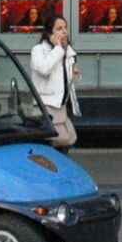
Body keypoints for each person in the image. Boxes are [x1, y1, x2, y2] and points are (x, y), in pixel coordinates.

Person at [29, 14, 80, 150]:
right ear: (49, 33)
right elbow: (44, 69)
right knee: (51, 148)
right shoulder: (38, 50)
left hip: (62, 107)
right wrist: (58, 49)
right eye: (59, 28)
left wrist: (75, 73)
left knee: (66, 144)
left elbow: (65, 82)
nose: (64, 31)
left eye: (65, 27)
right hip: (46, 108)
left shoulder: (68, 52)